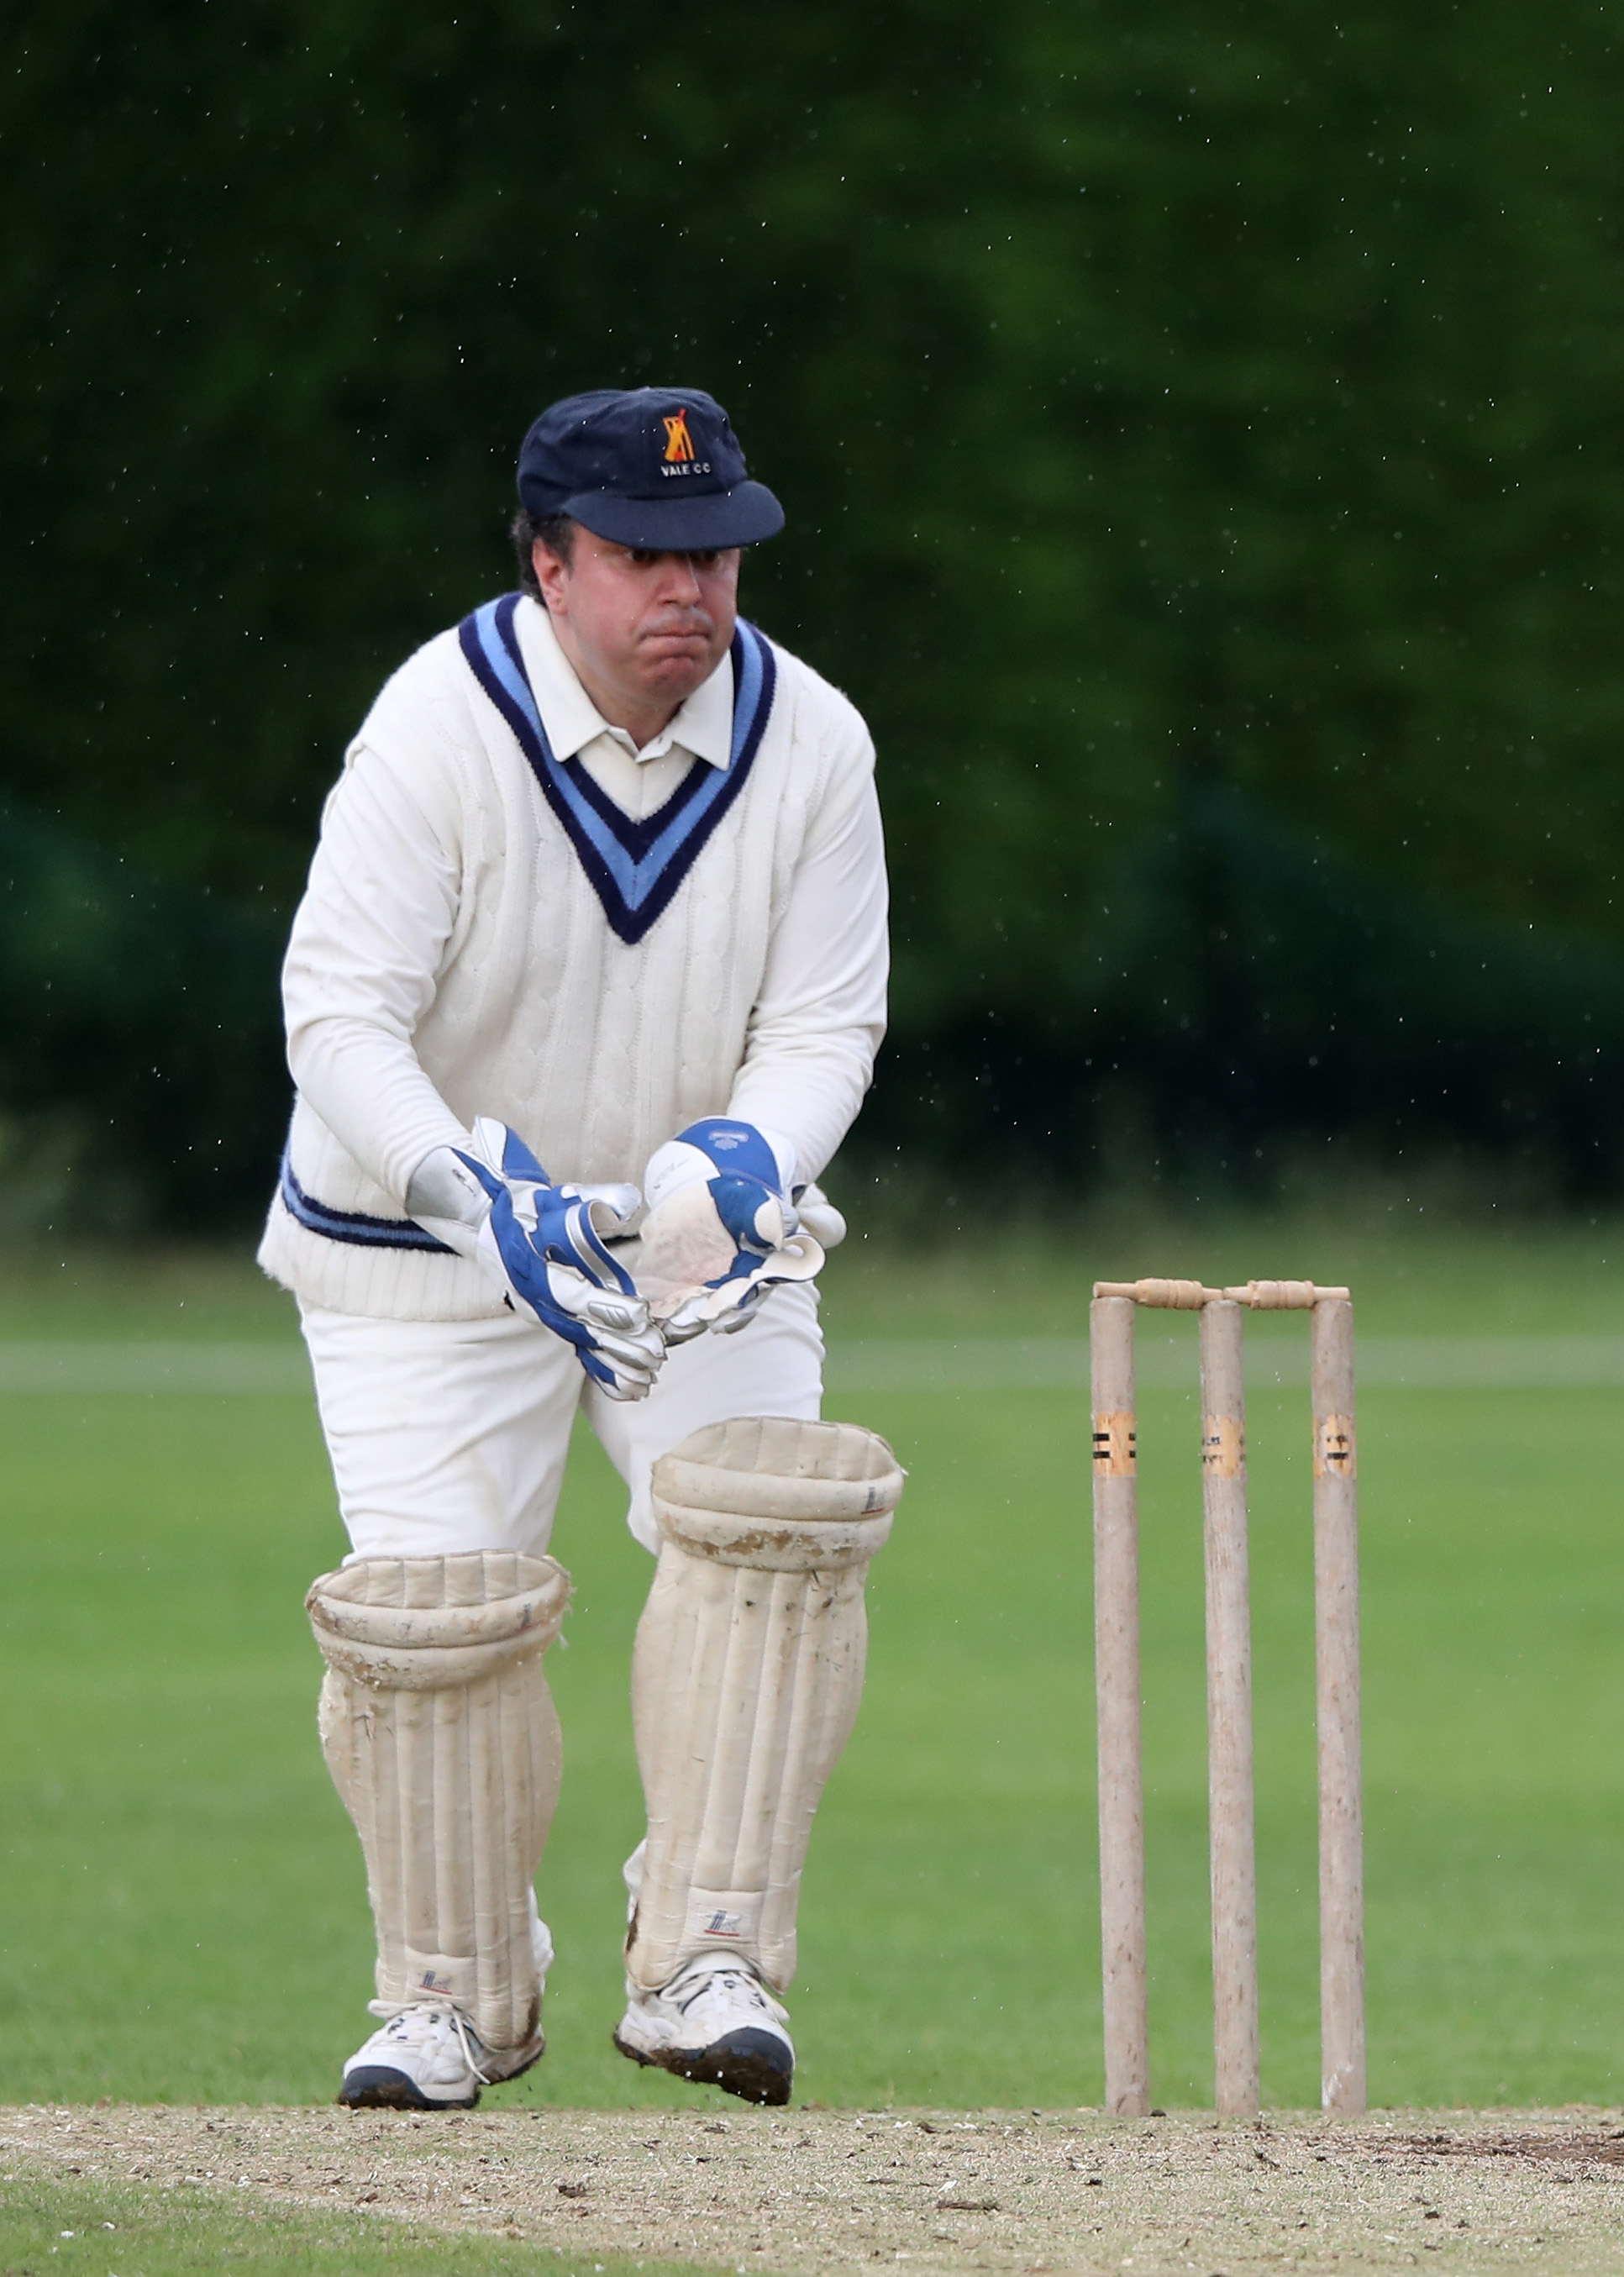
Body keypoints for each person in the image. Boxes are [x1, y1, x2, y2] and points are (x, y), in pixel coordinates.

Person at [261, 387, 900, 2111]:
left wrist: (746, 1159)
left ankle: (709, 1951)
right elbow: (336, 1016)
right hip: (426, 1233)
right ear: (550, 565)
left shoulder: (812, 739)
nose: (686, 590)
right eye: (639, 554)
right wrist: (484, 1197)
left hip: (696, 1225)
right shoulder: (435, 729)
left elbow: (828, 1020)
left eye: (714, 555)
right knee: (434, 1620)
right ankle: (458, 1991)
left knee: (775, 1524)